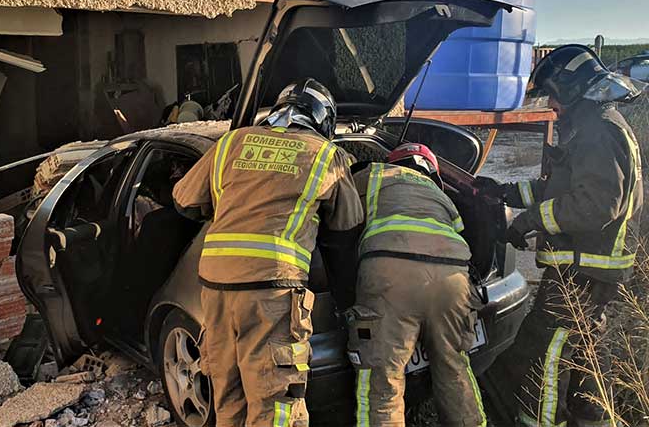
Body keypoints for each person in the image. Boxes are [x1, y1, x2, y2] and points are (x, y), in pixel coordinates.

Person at [172, 78, 364, 427]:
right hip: (271, 293)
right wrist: (347, 299)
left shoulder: (232, 142)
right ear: (323, 122)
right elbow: (346, 232)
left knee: (228, 398)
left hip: (215, 290)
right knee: (275, 403)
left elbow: (183, 199)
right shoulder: (324, 154)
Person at [476, 44, 645, 427]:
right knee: (583, 349)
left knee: (547, 350)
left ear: (571, 89)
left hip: (585, 267)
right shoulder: (594, 125)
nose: (550, 105)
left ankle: (537, 421)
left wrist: (529, 221)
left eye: (553, 94)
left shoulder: (599, 132)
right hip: (588, 266)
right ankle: (592, 419)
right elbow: (561, 188)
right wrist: (505, 193)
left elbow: (597, 204)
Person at [348, 143, 486, 427]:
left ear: (393, 161)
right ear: (432, 170)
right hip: (452, 280)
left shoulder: (373, 175)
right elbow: (460, 232)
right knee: (454, 367)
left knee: (382, 379)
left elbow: (339, 214)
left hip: (391, 275)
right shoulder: (440, 193)